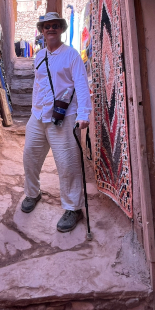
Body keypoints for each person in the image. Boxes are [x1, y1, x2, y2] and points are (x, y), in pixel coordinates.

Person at [22, 12, 92, 232]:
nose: (50, 29)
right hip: (38, 115)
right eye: (46, 26)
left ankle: (73, 208)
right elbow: (38, 84)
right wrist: (34, 109)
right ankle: (33, 193)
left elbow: (81, 84)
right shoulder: (39, 56)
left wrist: (83, 114)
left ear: (61, 29)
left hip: (64, 116)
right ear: (42, 31)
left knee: (68, 164)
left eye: (54, 26)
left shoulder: (71, 55)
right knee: (30, 157)